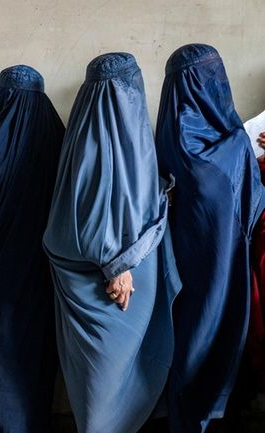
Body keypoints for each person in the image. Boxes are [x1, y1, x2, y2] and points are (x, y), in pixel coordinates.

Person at [43, 52, 181, 433]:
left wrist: (161, 197)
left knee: (115, 389)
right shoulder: (95, 137)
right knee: (99, 396)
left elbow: (134, 194)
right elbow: (77, 215)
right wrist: (114, 263)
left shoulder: (106, 130)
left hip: (124, 282)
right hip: (107, 284)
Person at [155, 43, 265, 433]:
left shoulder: (165, 137)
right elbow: (252, 207)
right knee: (218, 337)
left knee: (187, 334)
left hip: (178, 269)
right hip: (225, 264)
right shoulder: (233, 145)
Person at [0, 65, 64, 433]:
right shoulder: (61, 139)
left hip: (0, 275)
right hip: (48, 274)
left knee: (3, 358)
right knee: (38, 361)